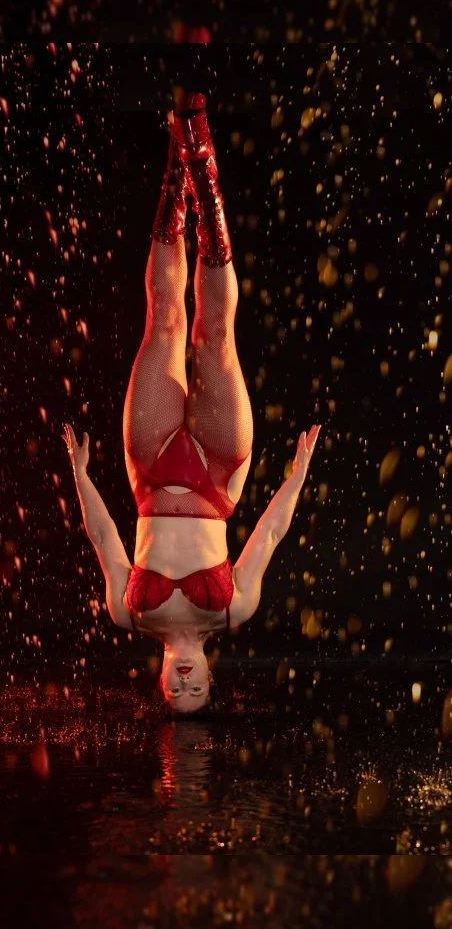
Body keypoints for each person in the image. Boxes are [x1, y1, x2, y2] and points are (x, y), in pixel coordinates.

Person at [63, 89, 321, 714]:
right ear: (210, 676)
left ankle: (178, 164)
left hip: (150, 476)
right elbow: (270, 533)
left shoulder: (127, 616)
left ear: (159, 681)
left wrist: (80, 474)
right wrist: (296, 477)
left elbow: (102, 537)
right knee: (215, 333)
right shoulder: (236, 610)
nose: (184, 683)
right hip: (217, 479)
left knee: (165, 323)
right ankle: (200, 165)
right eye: (196, 689)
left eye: (175, 690)